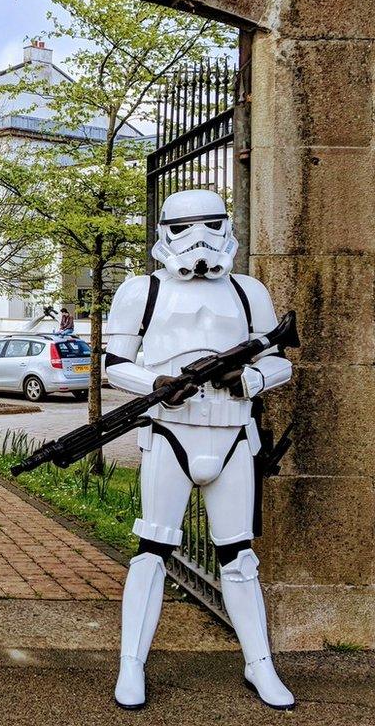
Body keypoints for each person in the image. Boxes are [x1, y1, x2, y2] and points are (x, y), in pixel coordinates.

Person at [104, 189, 294, 711]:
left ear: (226, 226)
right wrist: (157, 381)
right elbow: (113, 361)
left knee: (239, 556)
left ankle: (260, 665)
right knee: (152, 551)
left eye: (212, 225)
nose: (199, 240)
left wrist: (250, 378)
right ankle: (132, 666)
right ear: (164, 231)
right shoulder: (141, 291)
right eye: (185, 228)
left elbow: (281, 360)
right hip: (169, 431)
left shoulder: (248, 291)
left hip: (232, 434)